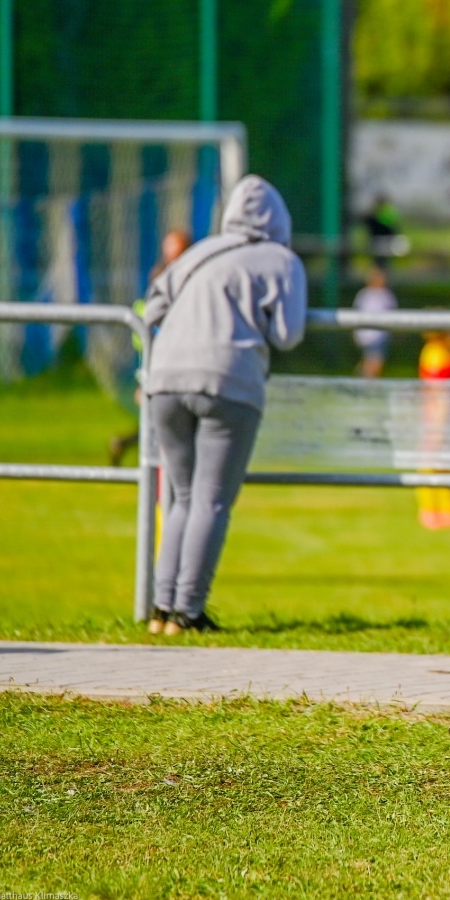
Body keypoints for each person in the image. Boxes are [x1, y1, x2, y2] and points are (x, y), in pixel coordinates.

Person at [142, 176, 306, 634]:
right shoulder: (281, 260)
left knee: (181, 497)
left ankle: (161, 610)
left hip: (166, 380)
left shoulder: (200, 252)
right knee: (211, 501)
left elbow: (150, 311)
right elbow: (288, 334)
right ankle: (189, 611)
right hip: (228, 382)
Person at [109, 229, 193, 466]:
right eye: (169, 254)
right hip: (162, 376)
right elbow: (150, 335)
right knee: (161, 440)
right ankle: (159, 501)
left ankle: (123, 444)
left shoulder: (197, 282)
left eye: (178, 253)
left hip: (190, 377)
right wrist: (144, 378)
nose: (172, 261)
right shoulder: (161, 280)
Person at [415, 330, 450, 530]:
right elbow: (440, 392)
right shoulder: (437, 355)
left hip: (442, 414)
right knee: (431, 461)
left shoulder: (439, 353)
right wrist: (439, 420)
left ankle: (448, 511)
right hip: (438, 414)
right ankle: (429, 511)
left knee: (444, 463)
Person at [352, 266, 397, 378]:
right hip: (371, 335)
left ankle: (365, 377)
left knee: (372, 359)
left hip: (378, 334)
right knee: (376, 360)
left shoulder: (385, 295)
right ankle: (367, 380)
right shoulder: (365, 294)